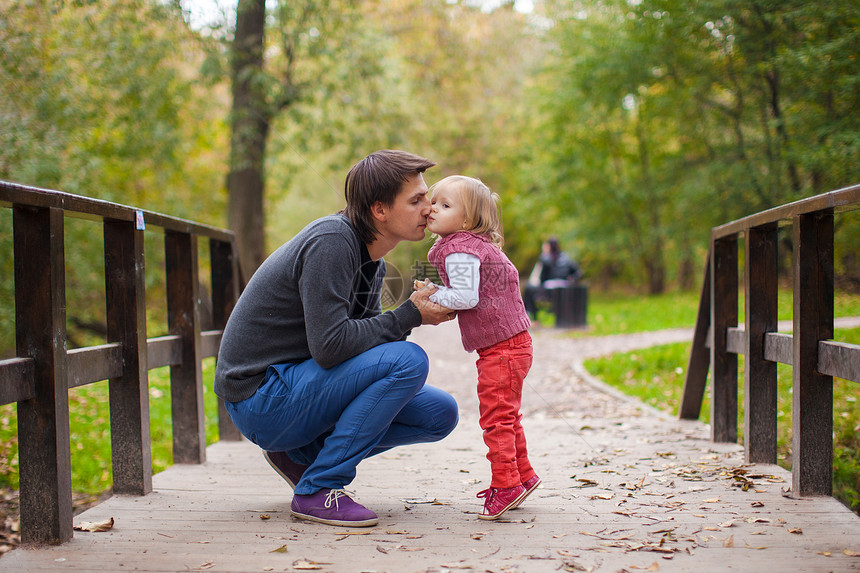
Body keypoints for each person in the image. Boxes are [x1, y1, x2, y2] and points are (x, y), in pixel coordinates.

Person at [214, 150, 460, 528]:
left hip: (293, 385)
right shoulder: (332, 241)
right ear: (379, 210)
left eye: (426, 197)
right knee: (408, 360)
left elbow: (361, 345)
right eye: (416, 200)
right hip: (259, 397)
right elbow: (331, 348)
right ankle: (319, 488)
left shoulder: (370, 259)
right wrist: (409, 314)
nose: (428, 209)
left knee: (439, 414)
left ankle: (299, 455)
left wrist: (417, 314)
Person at [417, 175, 540, 520]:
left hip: (501, 350)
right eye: (433, 201)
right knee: (508, 414)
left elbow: (466, 296)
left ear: (467, 220)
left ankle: (506, 485)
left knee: (496, 418)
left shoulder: (459, 248)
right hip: (514, 344)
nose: (432, 210)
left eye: (445, 205)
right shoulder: (474, 244)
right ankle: (523, 476)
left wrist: (431, 296)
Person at [523, 236, 582, 319]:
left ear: (549, 246)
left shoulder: (545, 258)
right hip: (565, 291)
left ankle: (533, 317)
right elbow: (578, 272)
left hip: (548, 293)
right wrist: (571, 279)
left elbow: (542, 278)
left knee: (528, 289)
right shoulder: (566, 257)